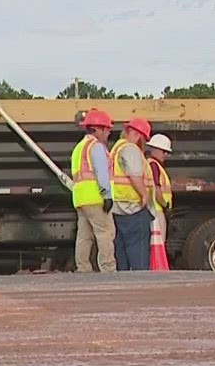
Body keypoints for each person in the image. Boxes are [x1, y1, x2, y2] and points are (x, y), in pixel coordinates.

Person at [70, 109, 116, 272]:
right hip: (95, 197)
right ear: (98, 129)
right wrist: (107, 195)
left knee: (84, 236)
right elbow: (101, 173)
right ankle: (108, 268)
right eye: (107, 129)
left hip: (81, 199)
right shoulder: (96, 147)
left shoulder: (79, 148)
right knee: (105, 233)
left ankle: (83, 268)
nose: (109, 133)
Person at [111, 117, 154, 271]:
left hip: (117, 208)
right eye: (143, 139)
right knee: (139, 259)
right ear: (138, 134)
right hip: (133, 209)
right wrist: (144, 195)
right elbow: (134, 174)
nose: (143, 143)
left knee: (121, 258)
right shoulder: (130, 149)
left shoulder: (116, 149)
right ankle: (140, 287)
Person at [145, 132, 175, 251]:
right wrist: (165, 205)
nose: (166, 155)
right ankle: (157, 268)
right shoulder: (154, 165)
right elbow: (156, 189)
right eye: (164, 151)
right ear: (155, 150)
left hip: (154, 210)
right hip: (157, 210)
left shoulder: (151, 164)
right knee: (158, 243)